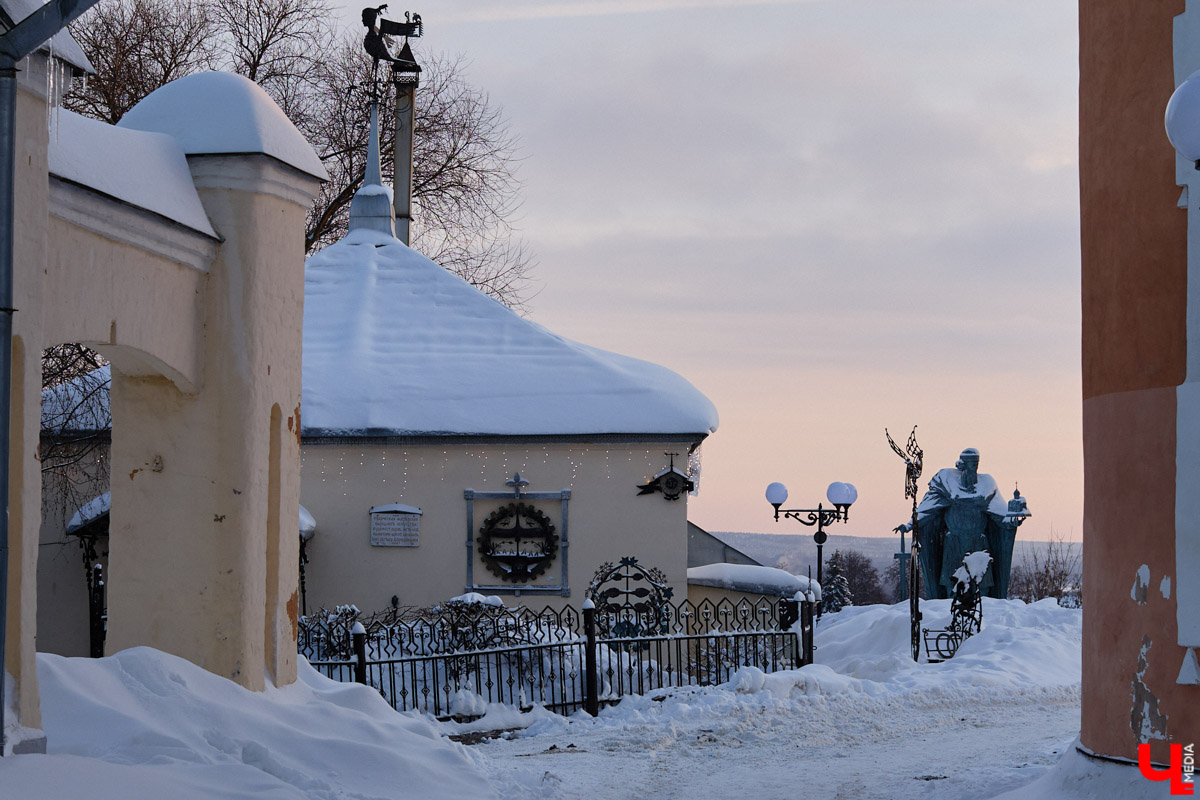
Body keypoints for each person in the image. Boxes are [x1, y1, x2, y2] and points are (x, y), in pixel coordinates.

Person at [894, 448, 1028, 599]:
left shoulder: (987, 483)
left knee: (982, 586)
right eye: (971, 464)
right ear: (962, 464)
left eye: (976, 464)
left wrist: (1012, 522)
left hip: (979, 543)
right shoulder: (946, 481)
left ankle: (988, 613)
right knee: (952, 585)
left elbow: (1000, 514)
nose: (974, 468)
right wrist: (910, 525)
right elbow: (928, 509)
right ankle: (948, 613)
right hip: (954, 543)